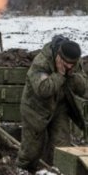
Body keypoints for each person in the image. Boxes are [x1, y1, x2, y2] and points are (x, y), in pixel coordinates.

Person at [16, 35, 87, 173]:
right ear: (59, 56)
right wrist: (60, 75)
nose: (69, 67)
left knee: (62, 149)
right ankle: (23, 170)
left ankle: (57, 171)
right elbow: (43, 90)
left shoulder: (73, 63)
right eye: (66, 64)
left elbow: (84, 89)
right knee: (31, 150)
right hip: (35, 109)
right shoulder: (41, 62)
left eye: (72, 64)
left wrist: (72, 76)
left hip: (59, 107)